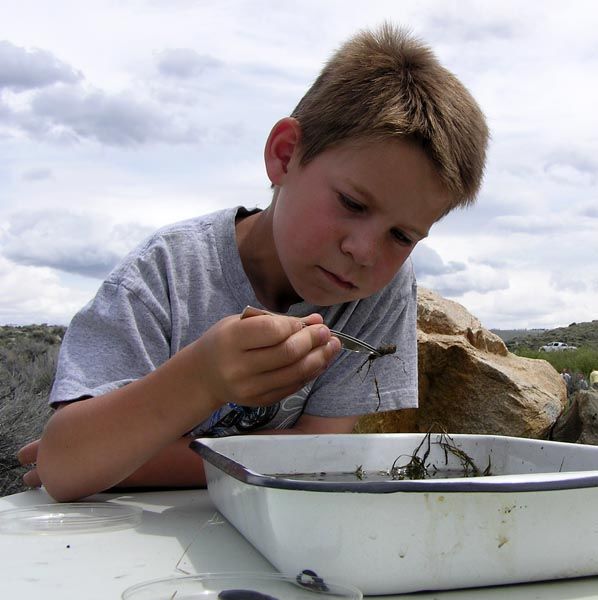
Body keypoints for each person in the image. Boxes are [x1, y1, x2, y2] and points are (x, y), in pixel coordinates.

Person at [17, 23, 488, 501]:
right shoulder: (165, 276)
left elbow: (318, 450)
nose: (364, 252)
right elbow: (68, 466)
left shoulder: (379, 292)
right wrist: (202, 378)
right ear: (285, 156)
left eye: (402, 236)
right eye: (352, 203)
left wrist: (128, 462)